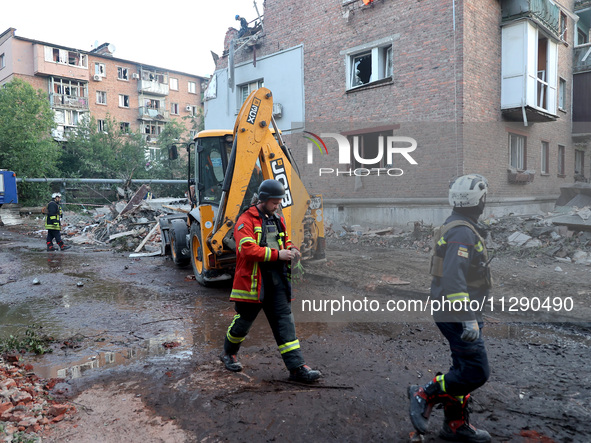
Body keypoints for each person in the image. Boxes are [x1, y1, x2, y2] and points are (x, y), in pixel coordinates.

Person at [409, 174, 492, 442]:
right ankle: (425, 393)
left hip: (458, 311)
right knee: (476, 371)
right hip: (457, 314)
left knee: (462, 368)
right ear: (479, 200)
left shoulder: (459, 226)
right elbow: (454, 281)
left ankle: (454, 425)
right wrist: (468, 319)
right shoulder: (462, 232)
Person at [220, 179, 321, 383]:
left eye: (279, 203)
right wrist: (278, 255)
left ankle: (297, 368)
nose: (277, 206)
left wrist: (292, 249)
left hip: (276, 282)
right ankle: (228, 353)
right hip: (253, 284)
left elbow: (285, 240)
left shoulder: (277, 219)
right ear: (263, 199)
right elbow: (247, 250)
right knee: (242, 325)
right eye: (274, 203)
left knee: (285, 324)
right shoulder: (245, 221)